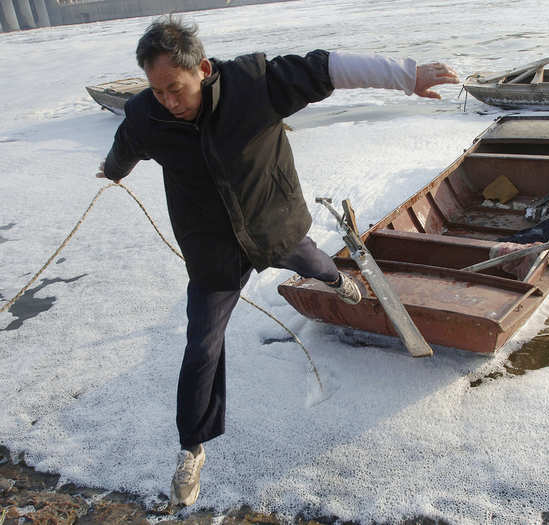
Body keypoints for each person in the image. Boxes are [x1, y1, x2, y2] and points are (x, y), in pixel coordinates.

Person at [96, 16, 460, 506]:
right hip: (212, 251)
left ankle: (338, 281)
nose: (168, 101)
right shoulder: (147, 114)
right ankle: (191, 448)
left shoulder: (254, 86)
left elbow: (326, 68)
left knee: (314, 263)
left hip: (272, 226)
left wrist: (405, 76)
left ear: (202, 69)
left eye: (175, 88)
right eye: (158, 90)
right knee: (202, 345)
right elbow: (127, 145)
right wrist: (113, 171)